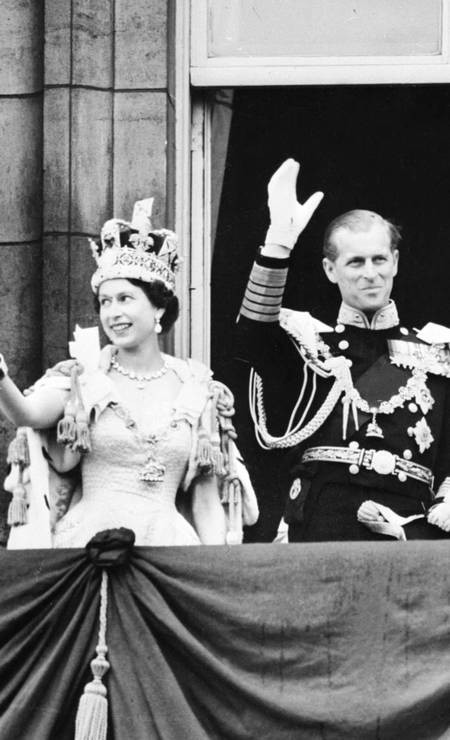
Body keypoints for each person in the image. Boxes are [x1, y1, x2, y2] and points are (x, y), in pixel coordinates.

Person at [4, 199, 257, 548]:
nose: (112, 312)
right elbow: (26, 413)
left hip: (169, 552)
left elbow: (205, 498)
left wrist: (214, 570)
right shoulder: (85, 378)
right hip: (88, 548)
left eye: (125, 298)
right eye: (105, 302)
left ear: (159, 308)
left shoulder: (196, 388)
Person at [235, 159, 450, 542]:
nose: (370, 273)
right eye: (355, 262)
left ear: (395, 263)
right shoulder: (310, 345)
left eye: (379, 259)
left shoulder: (436, 352)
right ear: (330, 269)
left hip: (410, 531)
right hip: (322, 524)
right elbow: (252, 339)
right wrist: (277, 243)